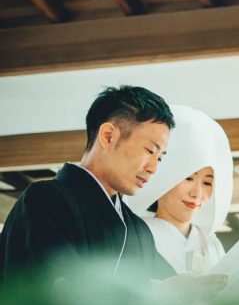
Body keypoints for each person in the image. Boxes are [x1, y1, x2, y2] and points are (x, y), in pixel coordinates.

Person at [0, 86, 175, 283]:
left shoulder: (138, 230)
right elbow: (51, 291)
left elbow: (172, 293)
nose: (153, 168)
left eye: (160, 158)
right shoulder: (44, 201)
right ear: (108, 136)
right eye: (150, 150)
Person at [125, 105, 233, 278]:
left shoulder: (211, 243)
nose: (197, 193)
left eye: (207, 182)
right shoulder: (136, 233)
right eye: (189, 178)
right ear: (165, 179)